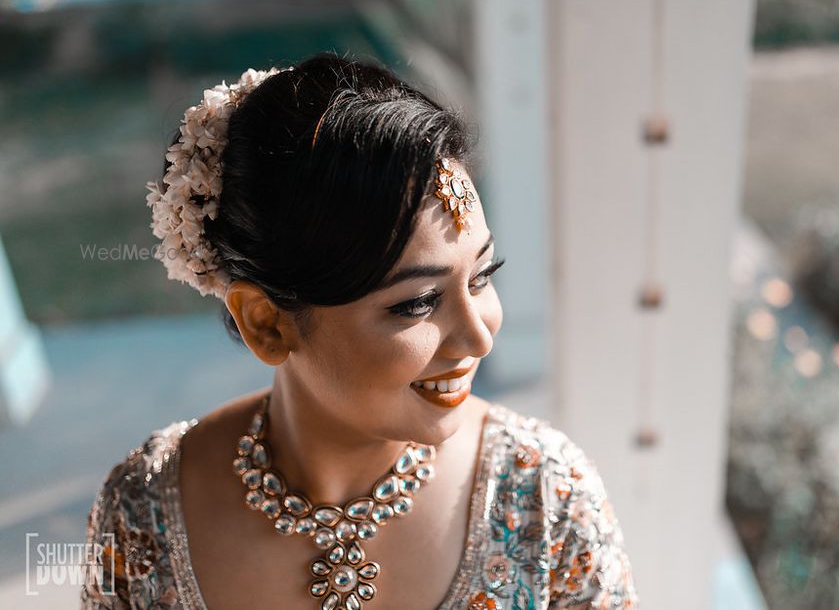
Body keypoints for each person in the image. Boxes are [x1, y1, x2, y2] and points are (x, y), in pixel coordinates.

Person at [80, 52, 638, 610]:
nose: (479, 338)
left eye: (482, 276)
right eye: (419, 303)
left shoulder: (546, 502)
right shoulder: (144, 513)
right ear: (266, 324)